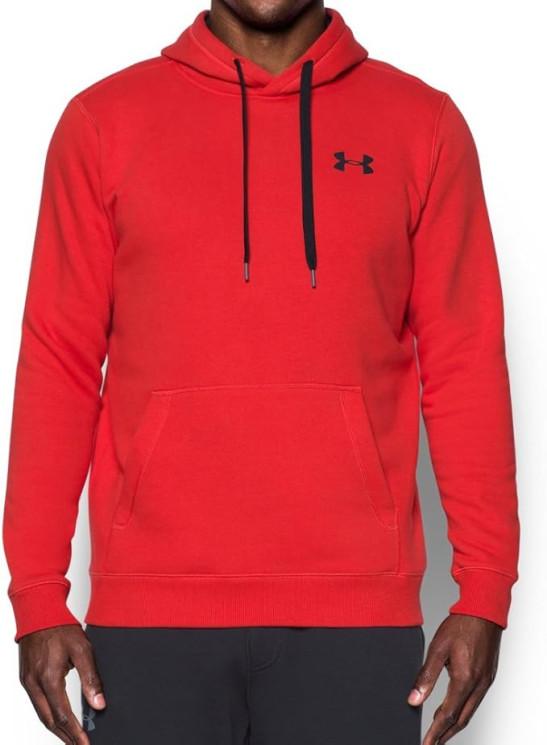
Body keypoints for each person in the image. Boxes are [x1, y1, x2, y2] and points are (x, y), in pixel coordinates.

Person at [3, 1, 519, 743]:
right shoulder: (103, 123)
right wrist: (37, 596)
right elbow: (59, 360)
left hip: (357, 621)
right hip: (150, 619)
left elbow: (465, 362)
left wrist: (484, 590)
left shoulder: (422, 124)